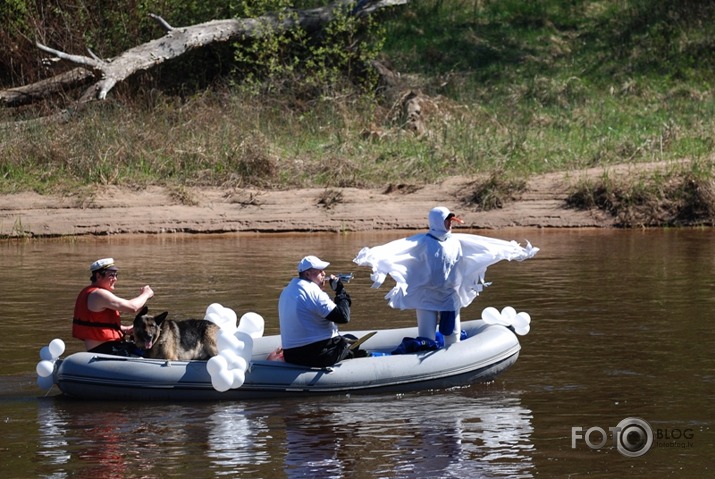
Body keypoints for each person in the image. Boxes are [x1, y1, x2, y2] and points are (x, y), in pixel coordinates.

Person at [353, 206, 539, 345]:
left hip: (449, 295)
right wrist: (372, 256)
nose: (450, 223)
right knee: (426, 335)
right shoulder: (423, 242)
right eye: (447, 220)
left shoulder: (457, 241)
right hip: (426, 295)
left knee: (452, 333)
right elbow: (398, 248)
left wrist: (512, 251)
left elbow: (484, 245)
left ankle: (453, 356)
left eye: (451, 220)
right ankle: (425, 357)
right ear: (437, 221)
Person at [278, 255, 366, 367]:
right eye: (319, 271)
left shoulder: (287, 290)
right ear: (307, 274)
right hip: (316, 356)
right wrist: (340, 291)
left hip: (291, 355)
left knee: (349, 338)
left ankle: (348, 353)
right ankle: (352, 356)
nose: (324, 274)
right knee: (349, 343)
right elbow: (343, 317)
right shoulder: (312, 291)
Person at [72, 257, 154, 356]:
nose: (115, 279)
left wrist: (125, 329)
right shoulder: (98, 294)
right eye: (111, 275)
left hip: (109, 348)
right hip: (105, 351)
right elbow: (132, 307)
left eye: (116, 275)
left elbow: (100, 325)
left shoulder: (91, 293)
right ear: (98, 276)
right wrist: (146, 294)